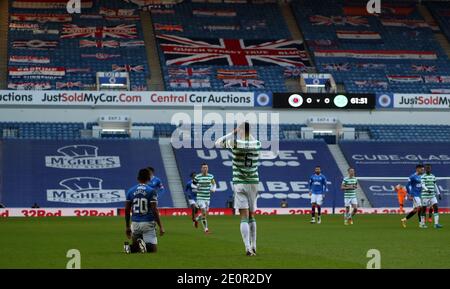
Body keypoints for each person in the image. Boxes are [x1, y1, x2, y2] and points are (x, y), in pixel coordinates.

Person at [215, 122, 261, 256]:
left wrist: (233, 132)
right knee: (252, 215)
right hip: (253, 182)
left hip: (240, 182)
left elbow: (218, 143)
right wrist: (246, 131)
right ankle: (254, 245)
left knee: (244, 217)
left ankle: (247, 247)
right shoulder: (257, 143)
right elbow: (250, 138)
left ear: (240, 130)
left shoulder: (235, 143)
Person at [124, 169, 164, 254]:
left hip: (135, 223)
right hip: (147, 222)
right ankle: (142, 245)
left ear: (137, 178)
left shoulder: (130, 191)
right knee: (153, 250)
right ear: (149, 178)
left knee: (135, 247)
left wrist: (127, 226)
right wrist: (161, 226)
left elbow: (127, 210)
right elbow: (154, 210)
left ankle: (130, 247)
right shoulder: (151, 191)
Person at [401, 164, 428, 228]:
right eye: (422, 169)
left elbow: (421, 185)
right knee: (420, 208)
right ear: (417, 169)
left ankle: (404, 219)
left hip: (419, 195)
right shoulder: (412, 176)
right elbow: (407, 186)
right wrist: (409, 194)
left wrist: (426, 189)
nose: (423, 170)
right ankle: (421, 224)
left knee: (416, 209)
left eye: (423, 169)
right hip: (414, 194)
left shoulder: (421, 176)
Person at [193, 163, 216, 234]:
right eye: (203, 168)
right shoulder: (197, 177)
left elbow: (214, 183)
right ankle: (206, 229)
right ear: (201, 169)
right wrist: (196, 186)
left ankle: (196, 219)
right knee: (203, 212)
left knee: (204, 213)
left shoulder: (210, 176)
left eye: (206, 167)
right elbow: (193, 184)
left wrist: (213, 189)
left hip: (207, 197)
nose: (205, 169)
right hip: (200, 197)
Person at [421, 164, 443, 228]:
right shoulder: (423, 176)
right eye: (427, 168)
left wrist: (438, 193)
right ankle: (422, 224)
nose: (428, 169)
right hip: (425, 196)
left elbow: (435, 185)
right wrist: (427, 190)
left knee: (436, 207)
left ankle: (436, 224)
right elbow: (423, 185)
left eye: (429, 168)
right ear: (425, 169)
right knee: (424, 209)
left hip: (432, 195)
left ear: (431, 169)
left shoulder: (433, 176)